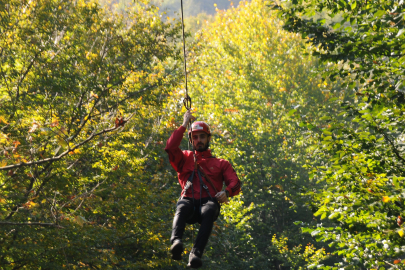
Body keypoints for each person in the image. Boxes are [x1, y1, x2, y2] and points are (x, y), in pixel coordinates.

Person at [164, 110, 241, 269]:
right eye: (195, 137)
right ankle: (176, 243)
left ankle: (196, 254)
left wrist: (226, 192)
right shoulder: (184, 158)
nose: (198, 140)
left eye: (202, 137)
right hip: (189, 201)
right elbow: (170, 147)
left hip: (208, 202)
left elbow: (235, 182)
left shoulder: (221, 163)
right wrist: (184, 125)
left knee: (210, 209)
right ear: (191, 140)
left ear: (208, 138)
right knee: (183, 206)